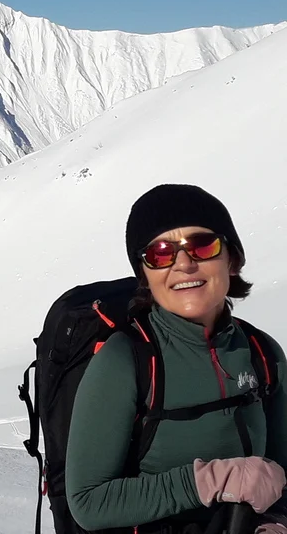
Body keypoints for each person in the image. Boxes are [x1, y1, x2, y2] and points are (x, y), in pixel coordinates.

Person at [66, 184, 287, 534]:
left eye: (203, 245)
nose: (184, 264)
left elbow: (282, 473)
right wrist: (211, 480)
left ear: (232, 260)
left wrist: (276, 520)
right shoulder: (125, 361)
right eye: (160, 254)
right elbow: (89, 503)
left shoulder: (263, 353)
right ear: (145, 275)